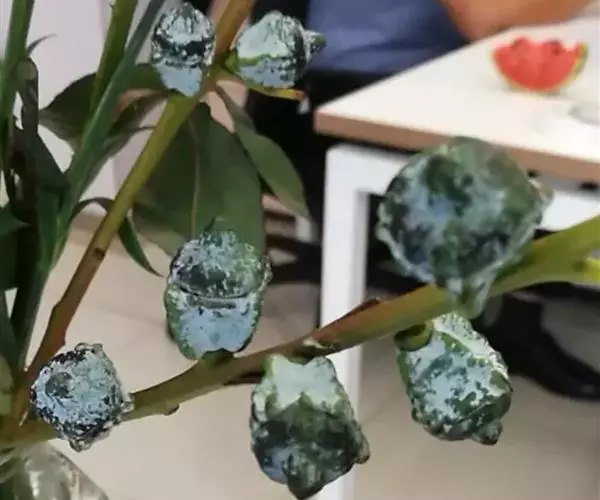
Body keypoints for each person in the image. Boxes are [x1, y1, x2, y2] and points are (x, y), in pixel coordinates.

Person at [245, 0, 600, 399]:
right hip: (346, 93)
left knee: (546, 134)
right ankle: (510, 315)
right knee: (534, 153)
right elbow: (485, 21)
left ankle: (515, 318)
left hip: (430, 80)